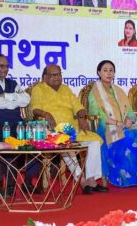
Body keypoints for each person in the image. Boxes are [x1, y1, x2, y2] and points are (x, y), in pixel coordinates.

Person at [29, 64, 106, 193]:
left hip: (72, 128)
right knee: (64, 143)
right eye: (53, 75)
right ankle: (81, 180)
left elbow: (79, 107)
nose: (57, 77)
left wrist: (81, 117)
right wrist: (46, 114)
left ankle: (91, 180)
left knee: (95, 141)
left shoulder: (66, 89)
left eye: (59, 74)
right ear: (44, 77)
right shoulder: (39, 89)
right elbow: (35, 109)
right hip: (51, 129)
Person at [0, 54, 45, 196]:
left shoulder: (13, 83)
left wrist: (6, 96)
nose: (5, 69)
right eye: (1, 66)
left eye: (7, 66)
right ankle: (9, 185)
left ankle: (28, 181)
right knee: (8, 142)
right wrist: (15, 101)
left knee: (36, 141)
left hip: (17, 124)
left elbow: (26, 99)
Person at [86, 60, 137, 187]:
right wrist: (118, 123)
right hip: (106, 128)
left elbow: (129, 110)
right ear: (99, 73)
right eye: (105, 70)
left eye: (111, 70)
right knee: (128, 137)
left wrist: (129, 120)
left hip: (123, 125)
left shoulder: (118, 90)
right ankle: (124, 178)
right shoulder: (94, 93)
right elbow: (98, 115)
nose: (108, 73)